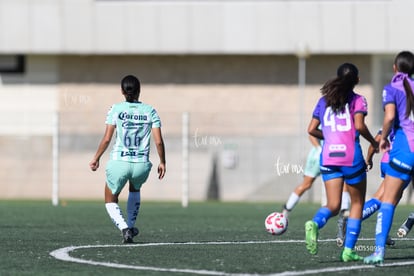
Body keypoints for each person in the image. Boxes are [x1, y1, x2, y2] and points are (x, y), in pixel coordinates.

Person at [305, 63, 379, 262]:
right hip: (350, 157)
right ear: (357, 80)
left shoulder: (323, 101)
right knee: (356, 203)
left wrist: (329, 136)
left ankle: (315, 223)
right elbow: (359, 125)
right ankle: (348, 251)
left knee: (333, 204)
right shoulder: (358, 100)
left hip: (328, 157)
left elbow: (311, 129)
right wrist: (373, 142)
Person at [89, 75, 166, 243]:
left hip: (119, 162)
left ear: (122, 91)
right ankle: (130, 226)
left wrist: (96, 158)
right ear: (140, 90)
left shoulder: (116, 109)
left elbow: (107, 139)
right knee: (135, 189)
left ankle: (124, 228)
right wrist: (162, 162)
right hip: (141, 164)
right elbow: (158, 141)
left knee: (110, 199)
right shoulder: (150, 111)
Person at [364, 51, 414, 264]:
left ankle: (378, 251)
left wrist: (383, 138)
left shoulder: (392, 88)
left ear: (395, 67)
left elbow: (390, 116)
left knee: (387, 201)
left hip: (405, 150)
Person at [282, 135, 351, 246]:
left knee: (344, 181)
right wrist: (319, 148)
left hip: (333, 156)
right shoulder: (325, 117)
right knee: (306, 184)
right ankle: (285, 211)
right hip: (320, 156)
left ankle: (344, 211)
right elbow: (311, 133)